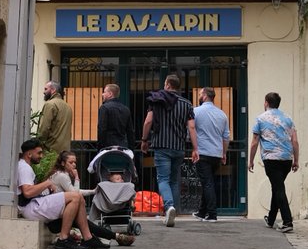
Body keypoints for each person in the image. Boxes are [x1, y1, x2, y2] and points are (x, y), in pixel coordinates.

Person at [15, 138, 107, 249]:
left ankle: (88, 238)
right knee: (75, 197)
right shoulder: (24, 168)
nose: (41, 156)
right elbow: (27, 193)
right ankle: (63, 239)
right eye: (39, 153)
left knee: (78, 199)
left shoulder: (25, 166)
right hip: (30, 207)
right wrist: (47, 184)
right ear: (29, 154)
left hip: (34, 204)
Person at [141, 73, 198, 227]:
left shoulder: (156, 100)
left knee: (163, 179)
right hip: (179, 148)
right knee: (174, 180)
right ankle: (174, 210)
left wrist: (144, 140)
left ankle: (169, 206)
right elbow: (191, 127)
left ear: (167, 84)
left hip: (161, 146)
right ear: (178, 86)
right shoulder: (186, 104)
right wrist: (195, 148)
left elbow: (148, 121)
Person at [47, 150, 134, 245]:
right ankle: (114, 237)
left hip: (59, 213)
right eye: (71, 162)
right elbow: (75, 194)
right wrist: (76, 178)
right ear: (63, 163)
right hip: (55, 219)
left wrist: (92, 191)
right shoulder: (62, 176)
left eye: (75, 162)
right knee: (86, 222)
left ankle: (110, 237)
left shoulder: (61, 174)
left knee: (85, 223)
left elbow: (73, 192)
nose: (74, 165)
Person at [248, 92, 299, 233]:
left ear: (266, 103)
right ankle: (271, 219)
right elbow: (294, 141)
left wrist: (251, 160)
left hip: (271, 159)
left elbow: (254, 142)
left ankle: (287, 221)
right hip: (286, 159)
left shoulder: (260, 119)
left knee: (278, 189)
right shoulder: (288, 118)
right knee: (277, 187)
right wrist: (296, 160)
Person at [192, 86, 230, 222]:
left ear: (205, 96)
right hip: (216, 154)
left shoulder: (196, 111)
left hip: (203, 152)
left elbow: (190, 130)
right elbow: (226, 137)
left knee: (207, 183)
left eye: (201, 93)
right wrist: (224, 153)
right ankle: (202, 212)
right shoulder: (222, 114)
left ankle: (212, 214)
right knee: (208, 182)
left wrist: (193, 147)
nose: (200, 95)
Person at [36, 80, 73, 154]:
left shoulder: (50, 105)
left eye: (46, 89)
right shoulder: (68, 107)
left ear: (53, 90)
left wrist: (38, 144)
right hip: (65, 151)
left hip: (51, 149)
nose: (44, 92)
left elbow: (44, 128)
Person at [97, 82, 135, 152]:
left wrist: (100, 147)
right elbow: (130, 131)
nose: (102, 94)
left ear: (110, 94)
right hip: (122, 147)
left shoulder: (104, 108)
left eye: (104, 92)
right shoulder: (126, 109)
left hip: (107, 147)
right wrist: (131, 148)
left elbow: (102, 129)